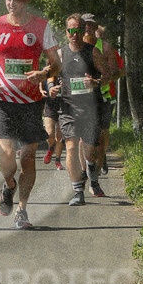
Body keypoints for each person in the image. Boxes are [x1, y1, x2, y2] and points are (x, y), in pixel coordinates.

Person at [0, 0, 62, 229]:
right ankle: (9, 185)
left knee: (27, 158)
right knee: (6, 157)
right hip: (1, 100)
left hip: (30, 103)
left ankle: (22, 210)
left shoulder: (41, 27)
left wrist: (44, 73)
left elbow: (56, 62)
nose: (10, 2)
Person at [52, 14, 110, 205]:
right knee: (70, 147)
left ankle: (92, 176)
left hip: (91, 109)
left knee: (89, 151)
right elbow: (50, 75)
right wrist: (51, 87)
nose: (74, 35)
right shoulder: (61, 54)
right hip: (68, 108)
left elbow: (108, 75)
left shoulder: (93, 52)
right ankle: (78, 192)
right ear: (66, 32)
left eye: (78, 31)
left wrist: (96, 82)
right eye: (70, 31)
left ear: (83, 31)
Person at [84, 15, 124, 176]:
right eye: (84, 25)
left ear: (95, 28)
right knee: (83, 135)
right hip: (82, 97)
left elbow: (119, 71)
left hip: (105, 96)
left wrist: (101, 81)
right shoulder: (74, 46)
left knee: (101, 133)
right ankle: (86, 170)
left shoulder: (106, 47)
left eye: (90, 25)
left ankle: (99, 163)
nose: (87, 28)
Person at [41, 70, 64, 171]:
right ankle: (51, 148)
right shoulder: (49, 69)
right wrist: (41, 90)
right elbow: (40, 81)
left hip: (64, 104)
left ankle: (58, 160)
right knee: (49, 133)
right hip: (50, 104)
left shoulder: (69, 65)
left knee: (59, 135)